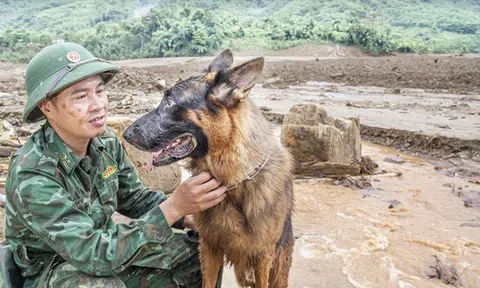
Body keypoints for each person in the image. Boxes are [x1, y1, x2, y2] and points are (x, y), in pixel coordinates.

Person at [3, 42, 227, 287]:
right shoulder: (33, 174)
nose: (98, 104)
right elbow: (93, 254)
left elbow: (134, 198)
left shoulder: (105, 143)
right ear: (48, 108)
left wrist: (186, 215)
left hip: (105, 251)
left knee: (200, 253)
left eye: (99, 91)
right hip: (51, 272)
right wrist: (173, 207)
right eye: (81, 96)